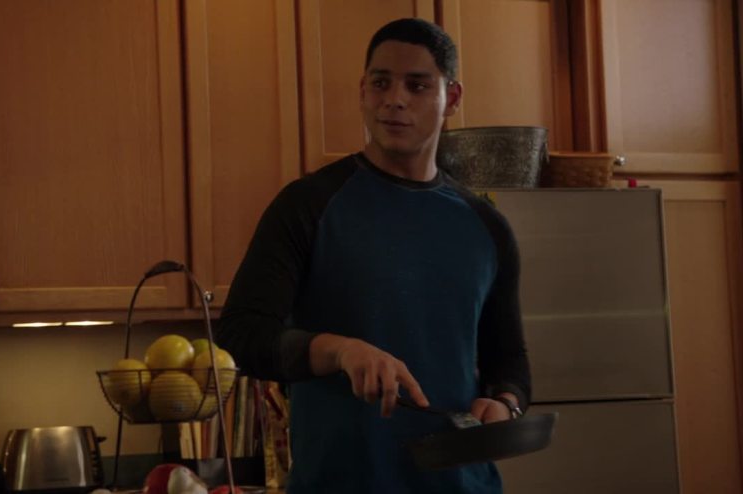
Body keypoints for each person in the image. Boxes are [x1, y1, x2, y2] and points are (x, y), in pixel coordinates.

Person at [217, 18, 531, 494]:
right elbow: (242, 334)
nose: (395, 99)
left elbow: (509, 359)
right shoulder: (308, 205)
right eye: (381, 83)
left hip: (463, 485)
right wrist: (340, 351)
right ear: (363, 91)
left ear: (452, 98)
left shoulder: (486, 226)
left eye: (417, 85)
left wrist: (505, 403)